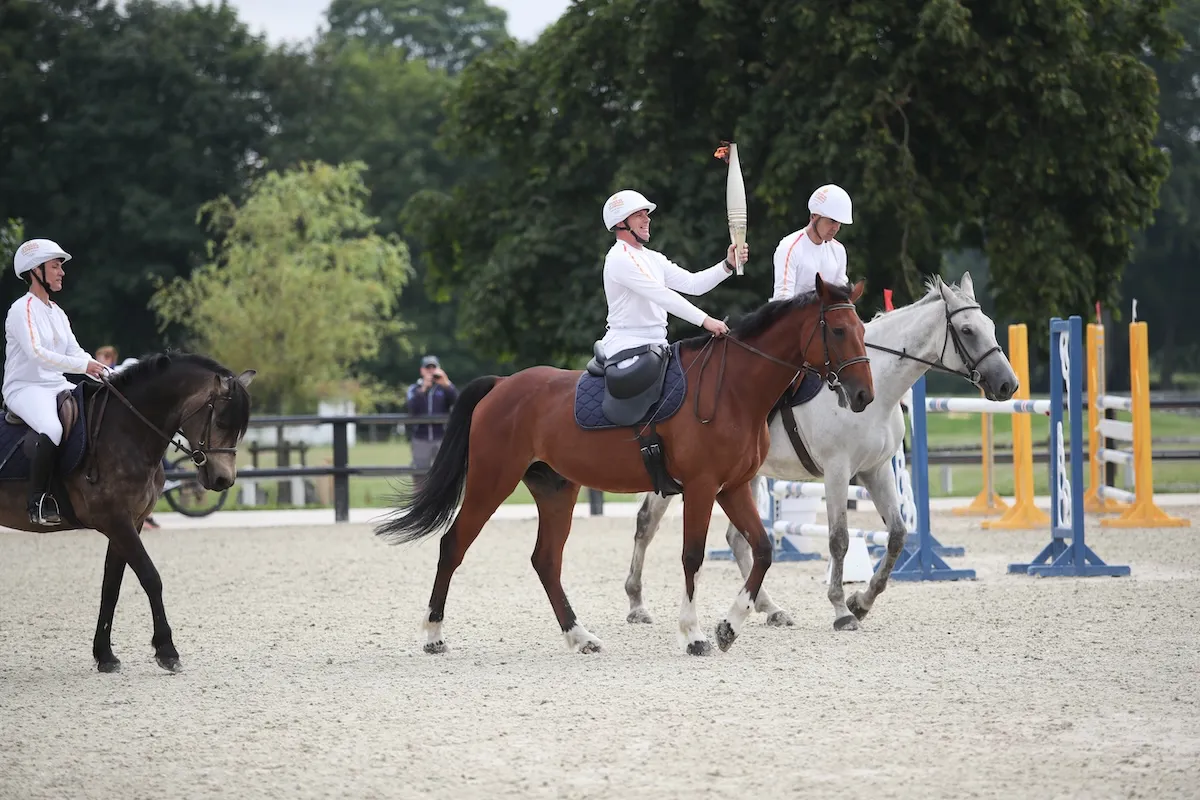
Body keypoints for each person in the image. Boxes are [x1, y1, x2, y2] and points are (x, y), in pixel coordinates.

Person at [4, 238, 108, 525]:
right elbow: (38, 354)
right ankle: (36, 502)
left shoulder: (57, 312)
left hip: (56, 385)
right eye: (55, 266)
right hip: (25, 387)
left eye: (61, 267)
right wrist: (82, 364)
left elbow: (74, 351)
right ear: (35, 270)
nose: (61, 272)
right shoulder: (21, 309)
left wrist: (102, 372)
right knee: (51, 427)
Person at [598, 189, 746, 360]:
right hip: (627, 347)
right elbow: (661, 295)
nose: (647, 219)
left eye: (646, 214)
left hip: (657, 345)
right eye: (639, 215)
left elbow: (693, 284)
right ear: (621, 223)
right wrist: (706, 320)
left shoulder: (653, 257)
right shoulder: (619, 257)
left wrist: (727, 265)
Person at [772, 184, 853, 301]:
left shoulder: (839, 251)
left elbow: (840, 297)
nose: (836, 228)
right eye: (832, 221)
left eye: (839, 223)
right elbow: (782, 300)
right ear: (814, 216)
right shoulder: (789, 247)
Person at [406, 355, 457, 489]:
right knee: (419, 474)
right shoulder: (414, 388)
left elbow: (457, 402)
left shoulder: (444, 388)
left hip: (441, 438)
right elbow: (412, 408)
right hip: (420, 439)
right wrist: (423, 389)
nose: (430, 371)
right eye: (427, 368)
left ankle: (441, 503)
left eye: (433, 367)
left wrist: (447, 384)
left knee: (444, 472)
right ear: (421, 370)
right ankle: (419, 505)